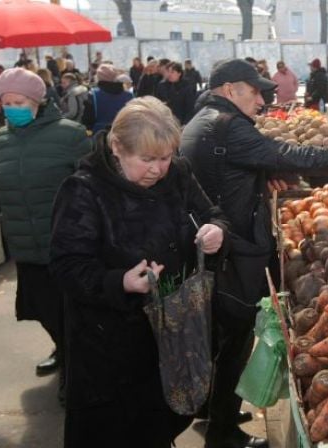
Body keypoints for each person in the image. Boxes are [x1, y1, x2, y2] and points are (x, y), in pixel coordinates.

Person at [180, 59, 328, 448]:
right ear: (231, 89)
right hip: (235, 246)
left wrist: (259, 175)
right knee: (235, 339)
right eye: (255, 91)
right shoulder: (229, 126)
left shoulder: (205, 120)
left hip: (220, 242)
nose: (262, 100)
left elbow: (228, 168)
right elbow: (290, 153)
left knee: (220, 335)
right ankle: (223, 433)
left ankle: (213, 409)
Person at [49, 96, 229, 447]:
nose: (158, 169)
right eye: (146, 159)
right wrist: (119, 282)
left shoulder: (178, 173)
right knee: (118, 429)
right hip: (111, 344)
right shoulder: (84, 190)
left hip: (174, 331)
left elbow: (211, 213)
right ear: (117, 147)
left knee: (161, 420)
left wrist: (216, 231)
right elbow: (66, 265)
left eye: (164, 158)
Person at [0, 68, 91, 397]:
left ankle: (74, 371)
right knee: (44, 309)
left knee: (71, 312)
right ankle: (62, 350)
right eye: (6, 102)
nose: (11, 108)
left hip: (66, 245)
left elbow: (91, 188)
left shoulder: (71, 135)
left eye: (18, 101)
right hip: (25, 245)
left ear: (37, 101)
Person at [82, 64, 134, 134]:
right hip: (124, 135)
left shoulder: (93, 95)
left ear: (99, 78)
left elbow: (87, 120)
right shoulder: (129, 95)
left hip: (100, 136)